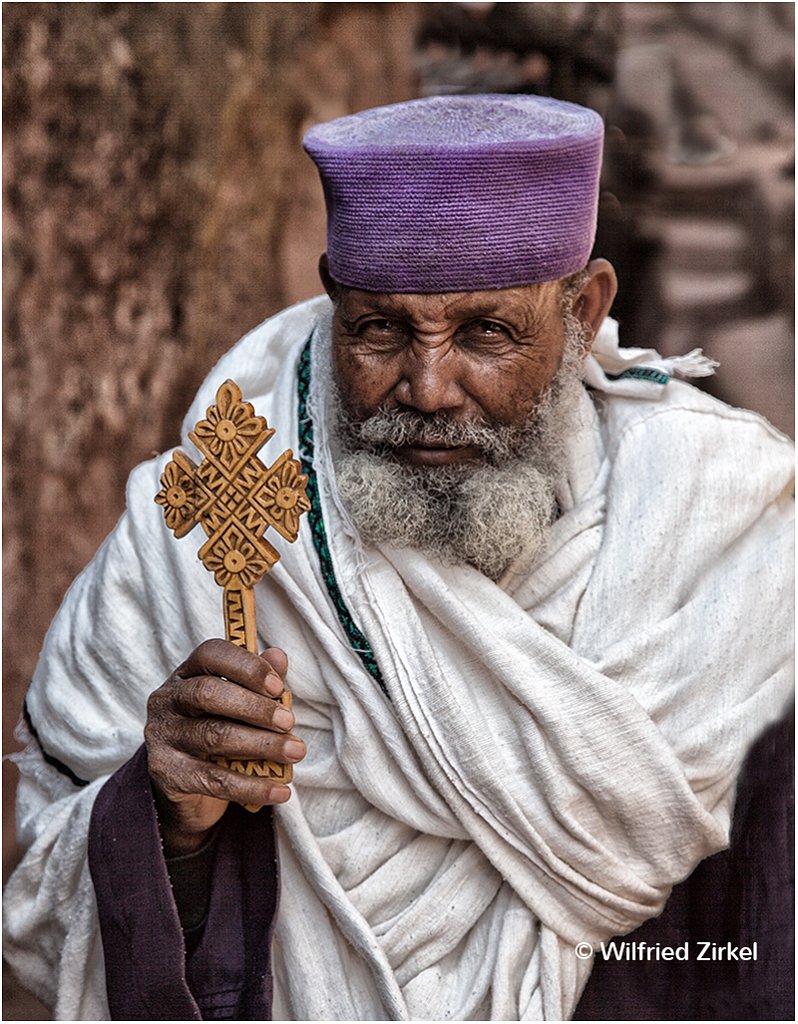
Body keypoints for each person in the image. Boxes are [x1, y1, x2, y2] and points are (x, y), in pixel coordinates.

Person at [3, 94, 793, 1022]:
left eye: (485, 333)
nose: (426, 388)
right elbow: (34, 934)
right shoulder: (190, 534)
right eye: (380, 330)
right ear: (334, 308)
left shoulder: (736, 540)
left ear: (584, 312)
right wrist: (168, 819)